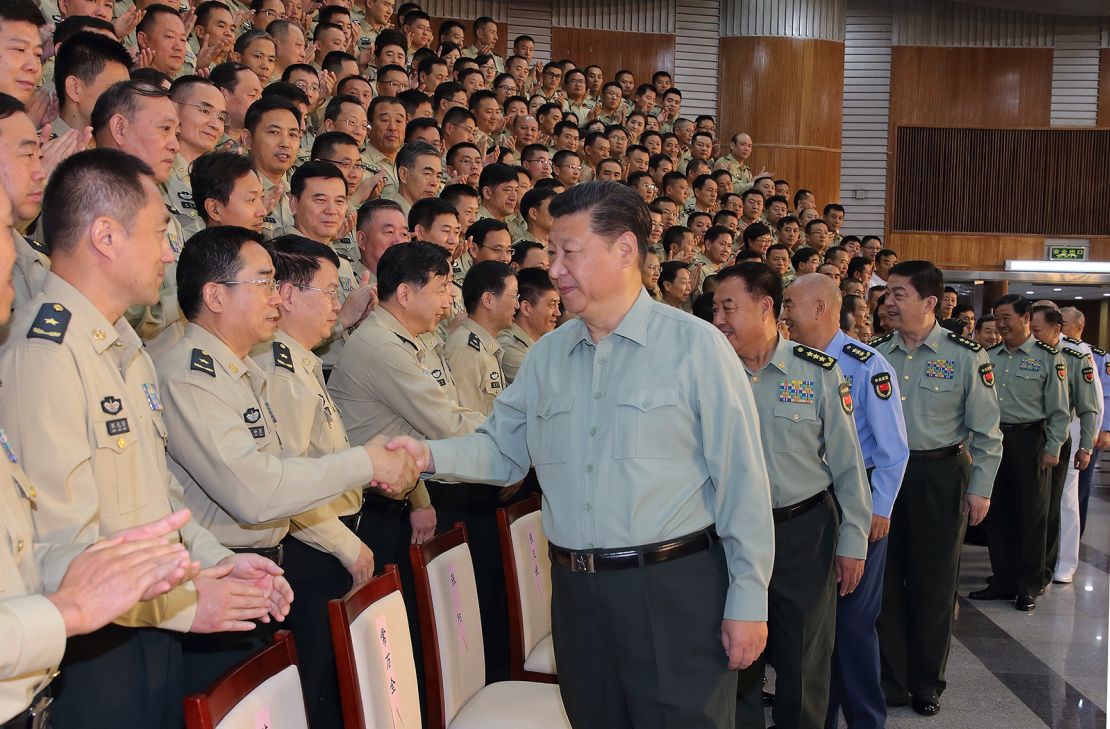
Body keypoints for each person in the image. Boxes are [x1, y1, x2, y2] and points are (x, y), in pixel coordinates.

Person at [388, 181, 775, 729]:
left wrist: (748, 597)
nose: (554, 268)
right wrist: (425, 456)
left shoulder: (696, 347)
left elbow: (743, 483)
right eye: (550, 251)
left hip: (671, 589)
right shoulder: (548, 356)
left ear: (624, 250)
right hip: (575, 592)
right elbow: (501, 452)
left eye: (569, 251)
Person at [0, 148, 300, 729]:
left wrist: (216, 564)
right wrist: (186, 604)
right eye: (160, 232)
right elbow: (63, 552)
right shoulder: (45, 354)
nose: (169, 252)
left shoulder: (125, 346)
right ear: (106, 237)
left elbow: (157, 498)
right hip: (98, 647)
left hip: (152, 624)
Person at [153, 225, 417, 691]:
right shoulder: (191, 376)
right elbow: (259, 491)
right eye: (263, 283)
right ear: (215, 295)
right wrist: (366, 463)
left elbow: (286, 472)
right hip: (223, 570)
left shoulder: (240, 370)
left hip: (249, 568)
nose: (276, 298)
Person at [714, 264, 871, 729]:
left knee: (804, 660)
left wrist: (853, 541)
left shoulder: (819, 373)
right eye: (716, 308)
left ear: (765, 308)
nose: (719, 319)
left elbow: (847, 464)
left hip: (802, 533)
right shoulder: (710, 372)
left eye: (728, 307)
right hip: (728, 536)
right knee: (736, 654)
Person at [872, 261, 1002, 716]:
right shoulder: (876, 353)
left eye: (898, 294)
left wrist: (980, 489)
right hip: (884, 478)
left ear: (930, 302)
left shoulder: (966, 356)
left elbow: (987, 432)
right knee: (884, 582)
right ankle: (891, 680)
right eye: (886, 293)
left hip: (939, 476)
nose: (887, 302)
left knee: (933, 583)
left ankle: (927, 682)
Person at [779, 273, 909, 729]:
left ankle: (866, 719)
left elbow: (893, 449)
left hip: (858, 500)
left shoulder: (866, 365)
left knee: (853, 624)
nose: (784, 313)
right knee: (815, 624)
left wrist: (880, 509)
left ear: (819, 308)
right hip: (807, 504)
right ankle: (819, 716)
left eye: (790, 303)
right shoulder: (789, 362)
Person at [969, 294, 1069, 612]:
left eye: (1005, 318)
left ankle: (1029, 583)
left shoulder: (1048, 357)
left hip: (1031, 442)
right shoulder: (988, 356)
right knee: (997, 514)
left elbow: (1059, 410)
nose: (999, 324)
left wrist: (1053, 447)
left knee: (1032, 515)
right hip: (995, 441)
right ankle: (1003, 579)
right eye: (996, 318)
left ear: (1026, 318)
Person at [1028, 305, 1100, 592]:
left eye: (1037, 328)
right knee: (1033, 502)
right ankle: (1033, 563)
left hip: (1064, 429)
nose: (1033, 333)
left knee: (1064, 501)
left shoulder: (1076, 355)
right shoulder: (1027, 351)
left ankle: (1064, 564)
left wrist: (1087, 444)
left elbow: (1092, 404)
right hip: (1031, 432)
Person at [1056, 307, 1110, 582]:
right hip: (1043, 430)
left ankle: (1065, 562)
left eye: (1060, 321)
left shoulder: (1080, 353)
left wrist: (1092, 438)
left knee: (1069, 495)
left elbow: (1097, 400)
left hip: (1072, 427)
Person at [498, 266, 560, 385]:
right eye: (552, 305)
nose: (558, 312)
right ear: (526, 308)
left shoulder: (548, 343)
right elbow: (546, 389)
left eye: (558, 305)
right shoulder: (508, 346)